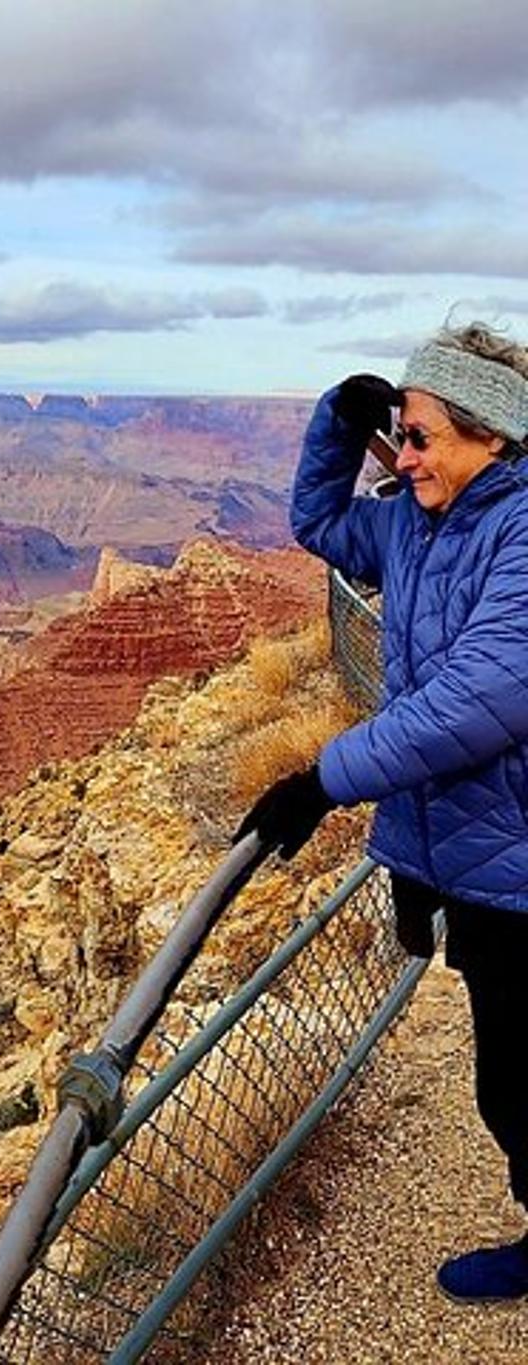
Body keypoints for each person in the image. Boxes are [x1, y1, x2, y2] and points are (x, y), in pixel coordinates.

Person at [238, 320, 528, 1302]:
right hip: (474, 858)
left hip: (521, 859)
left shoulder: (521, 532)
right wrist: (337, 419)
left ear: (490, 437)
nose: (398, 458)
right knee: (509, 1086)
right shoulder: (407, 521)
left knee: (523, 1087)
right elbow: (315, 528)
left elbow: (482, 697)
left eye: (418, 437)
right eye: (393, 434)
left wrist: (322, 778)